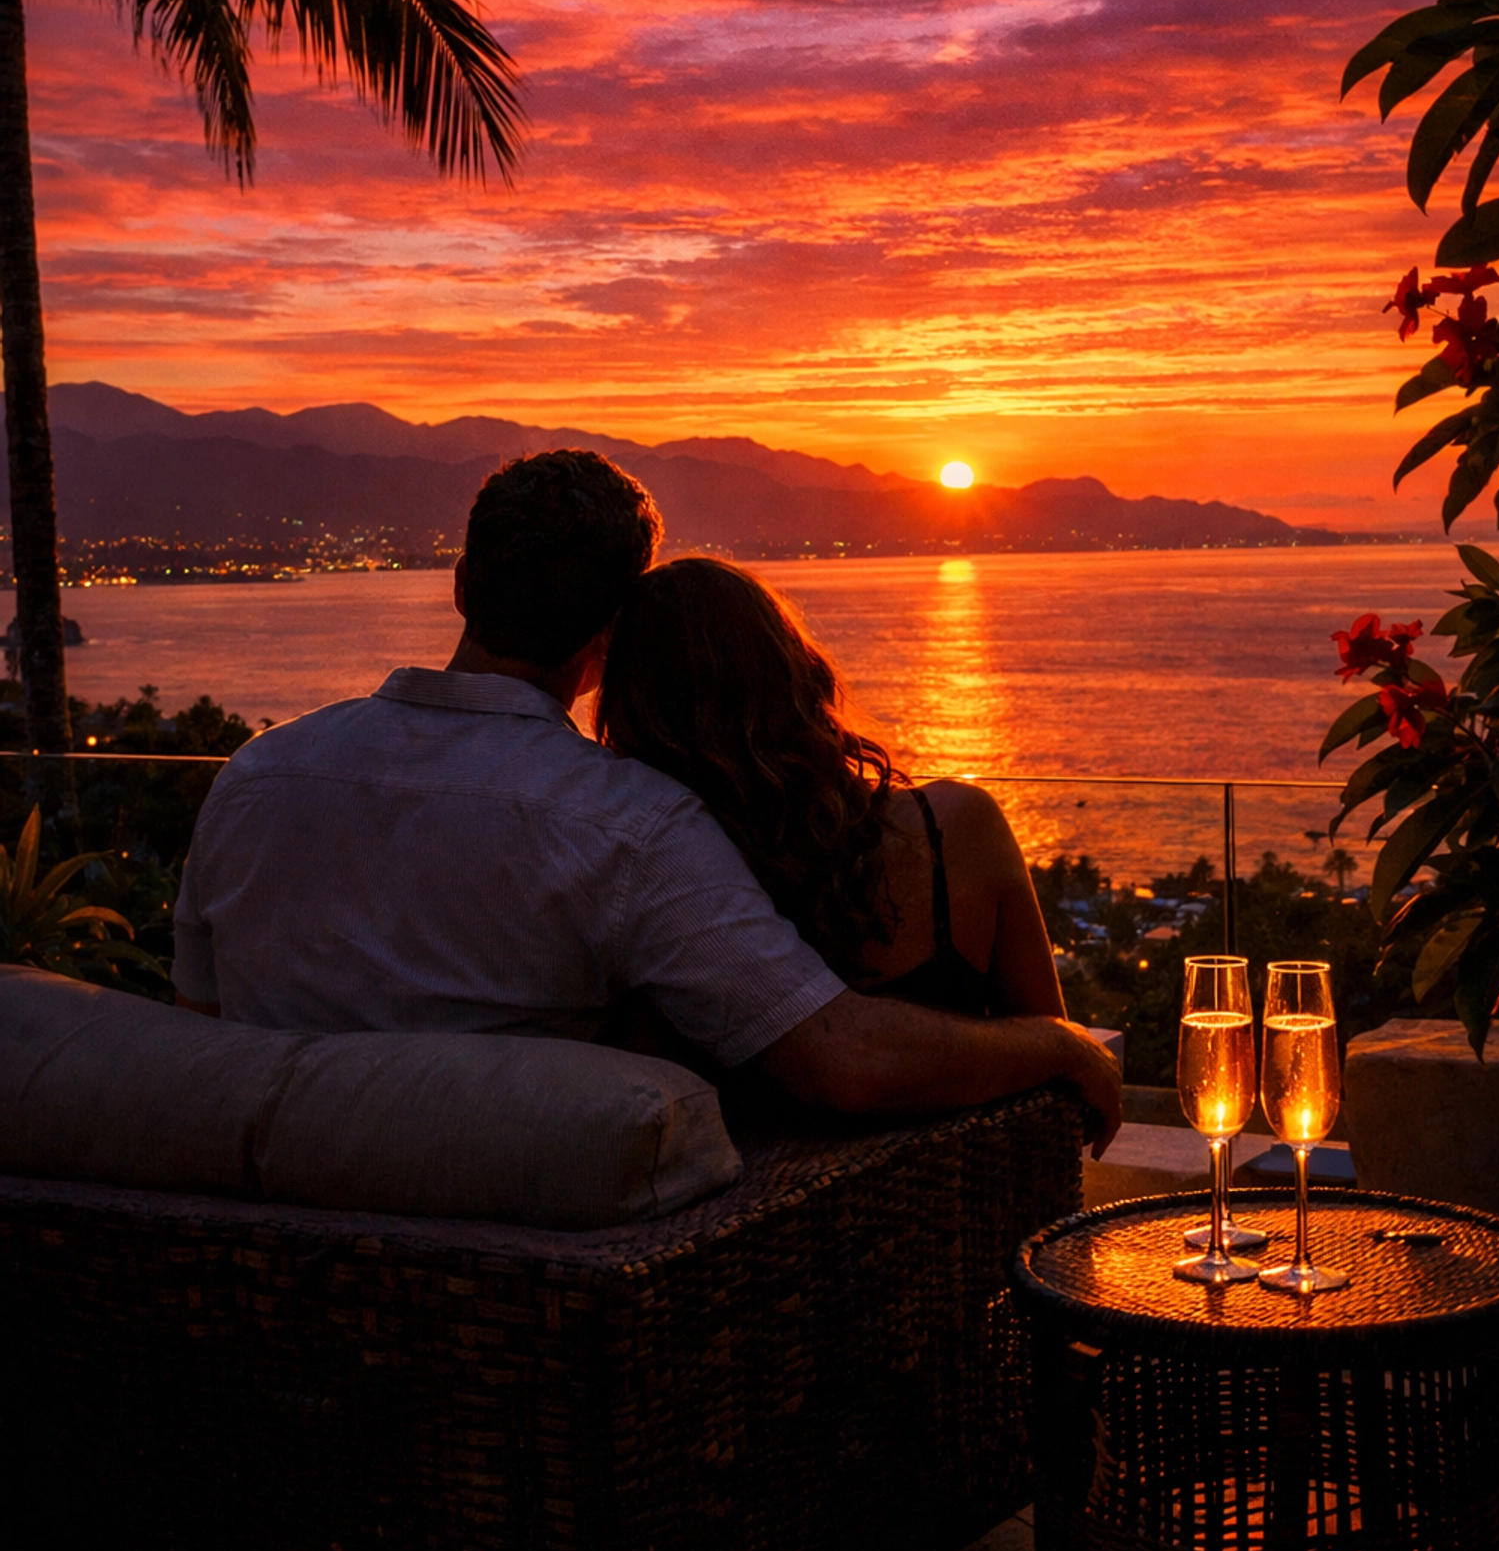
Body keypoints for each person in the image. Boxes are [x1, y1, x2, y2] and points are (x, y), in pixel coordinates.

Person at [173, 450, 1119, 1143]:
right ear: (611, 630)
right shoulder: (625, 827)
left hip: (259, 1271)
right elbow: (840, 1058)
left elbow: (205, 1026)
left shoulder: (256, 777)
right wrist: (1063, 1046)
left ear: (462, 588)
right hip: (524, 1297)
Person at [596, 556, 1066, 1019]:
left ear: (632, 713)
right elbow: (1051, 1040)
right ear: (797, 669)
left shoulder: (643, 878)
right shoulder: (955, 828)